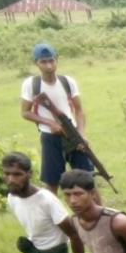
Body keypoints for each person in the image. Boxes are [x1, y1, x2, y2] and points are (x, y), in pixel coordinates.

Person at [0, 152, 86, 253]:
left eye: (17, 174)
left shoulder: (46, 200)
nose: (11, 179)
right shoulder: (12, 197)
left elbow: (73, 234)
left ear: (29, 174)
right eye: (7, 174)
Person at [20, 42, 93, 196]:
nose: (48, 66)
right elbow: (25, 113)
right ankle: (51, 218)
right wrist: (49, 122)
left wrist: (81, 135)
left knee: (87, 179)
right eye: (43, 62)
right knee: (52, 182)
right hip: (49, 137)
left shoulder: (67, 81)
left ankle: (99, 216)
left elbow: (79, 110)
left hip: (72, 133)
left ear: (56, 60)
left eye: (51, 61)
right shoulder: (32, 84)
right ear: (36, 63)